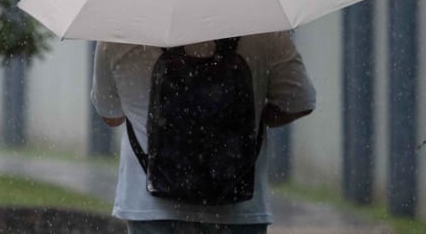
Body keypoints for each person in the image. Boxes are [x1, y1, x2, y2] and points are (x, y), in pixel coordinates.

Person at [91, 32, 316, 234]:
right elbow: (299, 102)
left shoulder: (119, 35)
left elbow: (111, 116)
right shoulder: (264, 30)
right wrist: (256, 116)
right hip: (239, 210)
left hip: (151, 210)